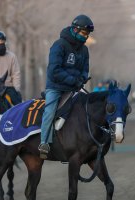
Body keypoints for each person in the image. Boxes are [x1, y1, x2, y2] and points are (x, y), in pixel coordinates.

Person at [38, 14, 94, 158]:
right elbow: (54, 70)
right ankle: (44, 142)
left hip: (74, 87)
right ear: (75, 30)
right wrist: (73, 81)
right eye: (83, 33)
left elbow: (85, 69)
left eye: (87, 34)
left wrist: (81, 79)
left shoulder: (84, 50)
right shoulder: (59, 45)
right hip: (56, 87)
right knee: (49, 111)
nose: (86, 36)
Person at [0, 31, 22, 105]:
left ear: (4, 42)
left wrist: (16, 89)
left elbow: (16, 74)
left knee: (19, 105)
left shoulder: (12, 56)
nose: (0, 42)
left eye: (2, 41)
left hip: (8, 87)